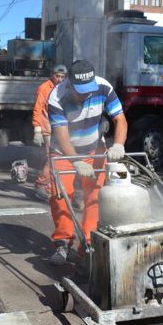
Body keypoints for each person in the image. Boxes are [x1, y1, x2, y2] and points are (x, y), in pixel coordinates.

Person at [47, 59, 128, 266]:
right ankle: (63, 242)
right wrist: (75, 161)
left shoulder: (103, 87)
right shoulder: (57, 96)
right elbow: (61, 133)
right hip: (64, 152)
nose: (86, 93)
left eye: (88, 89)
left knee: (95, 196)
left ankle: (88, 245)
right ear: (70, 84)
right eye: (80, 90)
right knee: (60, 195)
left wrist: (118, 145)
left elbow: (120, 118)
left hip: (95, 149)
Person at [32, 64, 66, 201]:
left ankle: (50, 188)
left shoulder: (63, 88)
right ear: (52, 75)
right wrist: (37, 130)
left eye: (63, 77)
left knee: (57, 158)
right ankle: (42, 186)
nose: (60, 79)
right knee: (52, 159)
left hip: (58, 128)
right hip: (47, 129)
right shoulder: (44, 88)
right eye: (57, 76)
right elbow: (37, 109)